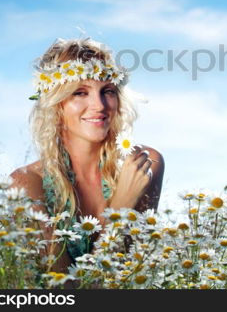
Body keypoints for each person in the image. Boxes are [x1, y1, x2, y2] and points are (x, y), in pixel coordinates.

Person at [10, 37, 164, 271]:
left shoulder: (142, 164)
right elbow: (63, 291)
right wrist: (121, 208)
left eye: (107, 91)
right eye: (80, 93)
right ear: (55, 103)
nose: (100, 105)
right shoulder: (27, 183)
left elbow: (130, 271)